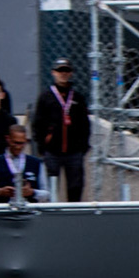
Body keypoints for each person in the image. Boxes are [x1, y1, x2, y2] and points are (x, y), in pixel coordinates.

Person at [30, 59, 90, 202]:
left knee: (75, 186)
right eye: (60, 71)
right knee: (51, 187)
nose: (63, 74)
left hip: (74, 152)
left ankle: (74, 215)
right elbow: (37, 123)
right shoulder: (45, 97)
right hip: (52, 151)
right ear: (53, 73)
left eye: (66, 71)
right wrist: (42, 146)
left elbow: (85, 124)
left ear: (71, 73)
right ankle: (52, 215)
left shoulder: (78, 97)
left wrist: (83, 147)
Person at [0, 124, 50, 203]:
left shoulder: (37, 163)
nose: (18, 147)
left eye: (21, 143)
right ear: (8, 139)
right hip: (0, 211)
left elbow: (47, 194)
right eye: (15, 143)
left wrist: (32, 192)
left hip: (29, 211)